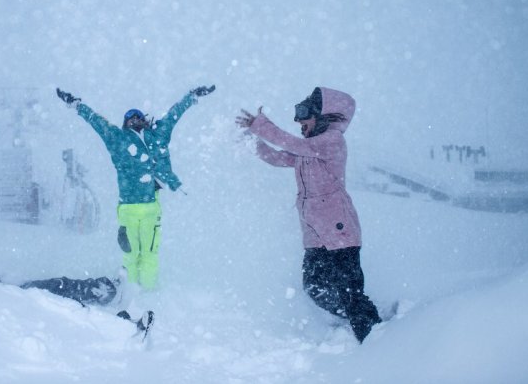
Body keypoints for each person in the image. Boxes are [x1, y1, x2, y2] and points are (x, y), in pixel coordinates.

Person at [236, 87, 381, 343]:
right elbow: (278, 157)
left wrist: (261, 124)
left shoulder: (331, 141)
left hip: (340, 233)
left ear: (322, 116)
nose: (298, 121)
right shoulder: (308, 151)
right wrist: (252, 140)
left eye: (303, 114)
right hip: (315, 235)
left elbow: (289, 143)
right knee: (313, 286)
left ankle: (375, 337)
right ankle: (356, 318)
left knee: (350, 291)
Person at [56, 85, 215, 290]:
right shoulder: (118, 139)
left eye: (138, 117)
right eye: (129, 118)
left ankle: (147, 294)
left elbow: (175, 114)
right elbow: (96, 121)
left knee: (149, 254)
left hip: (150, 205)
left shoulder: (157, 136)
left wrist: (191, 96)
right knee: (131, 254)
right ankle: (129, 294)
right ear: (125, 124)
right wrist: (77, 105)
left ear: (144, 121)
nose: (134, 119)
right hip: (128, 207)